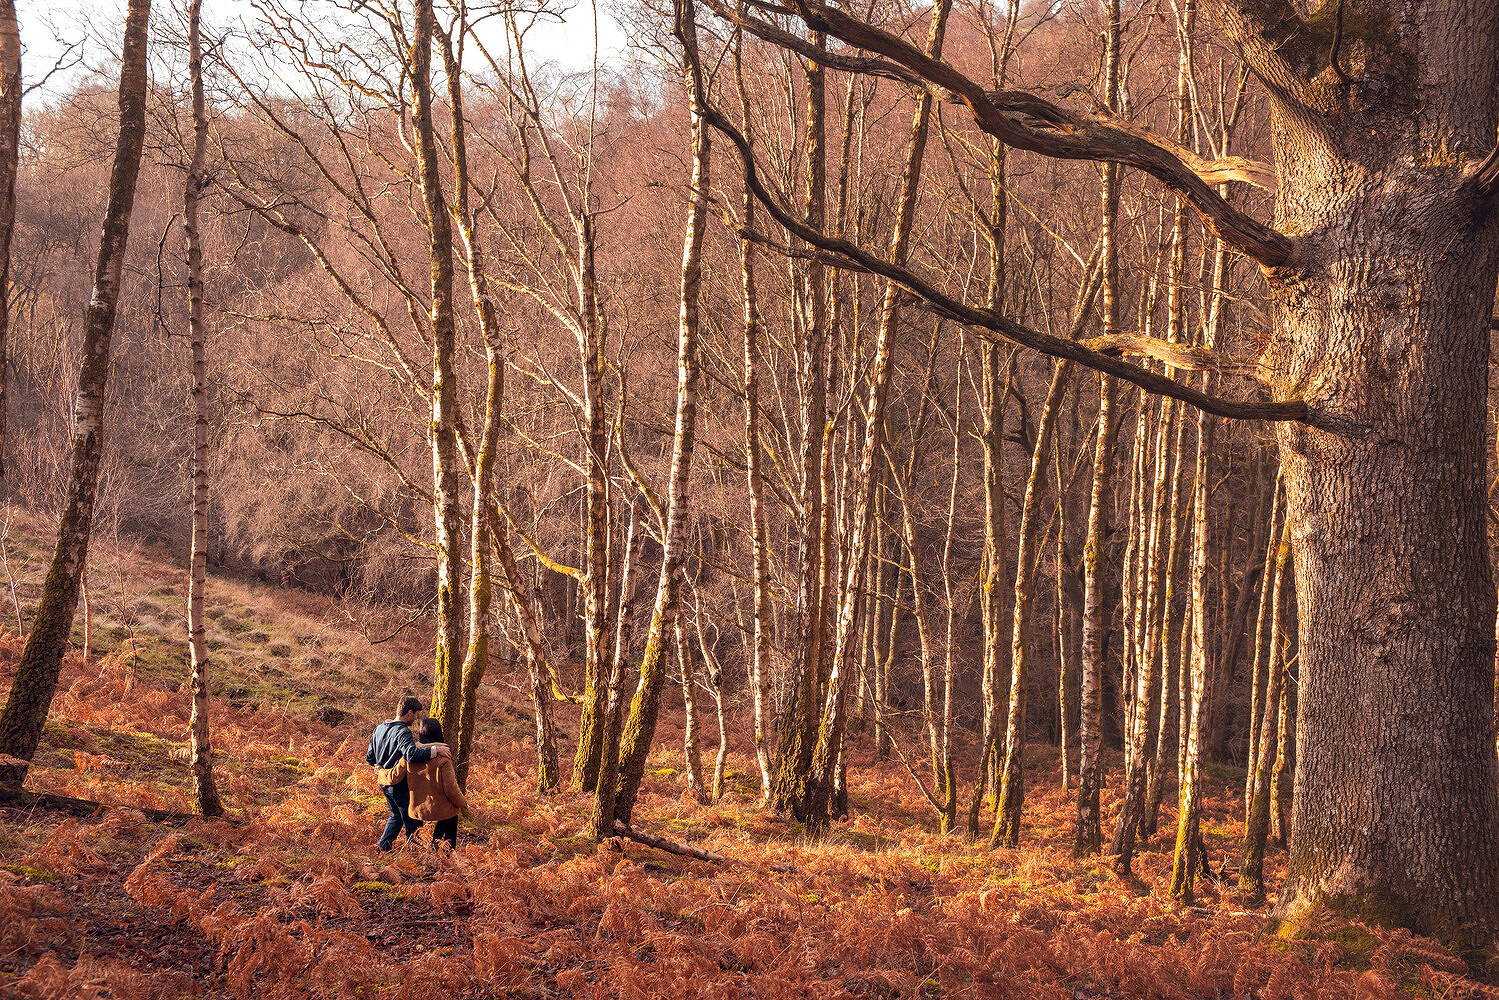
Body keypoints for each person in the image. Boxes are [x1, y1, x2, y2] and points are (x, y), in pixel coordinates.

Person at [366, 696, 450, 851]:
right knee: (413, 819)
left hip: (384, 781)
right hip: (399, 783)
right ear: (409, 712)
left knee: (396, 816)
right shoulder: (403, 732)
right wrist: (436, 749)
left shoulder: (379, 728)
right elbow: (411, 755)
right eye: (416, 714)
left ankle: (382, 847)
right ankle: (415, 854)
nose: (416, 718)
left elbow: (370, 758)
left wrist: (380, 769)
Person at [389, 718, 467, 850]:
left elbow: (394, 776)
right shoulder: (443, 758)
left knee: (446, 815)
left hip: (418, 808)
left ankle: (432, 848)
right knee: (451, 817)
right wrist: (462, 802)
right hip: (440, 808)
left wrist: (380, 771)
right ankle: (447, 855)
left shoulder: (410, 756)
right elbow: (450, 788)